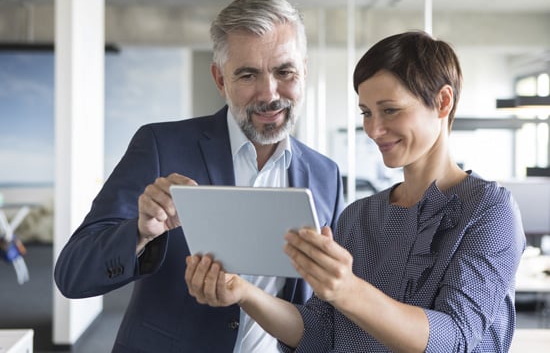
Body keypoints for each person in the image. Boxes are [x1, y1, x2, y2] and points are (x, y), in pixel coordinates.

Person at [185, 31, 526, 352]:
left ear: (443, 101)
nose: (374, 129)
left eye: (390, 109)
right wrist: (244, 292)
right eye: (366, 113)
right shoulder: (359, 216)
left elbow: (456, 338)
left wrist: (347, 289)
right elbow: (319, 332)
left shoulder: (488, 210)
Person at [54, 0, 345, 353]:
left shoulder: (325, 175)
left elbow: (321, 312)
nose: (270, 93)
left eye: (284, 72)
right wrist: (140, 233)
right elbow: (71, 274)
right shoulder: (161, 146)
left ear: (304, 71)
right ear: (220, 80)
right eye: (248, 74)